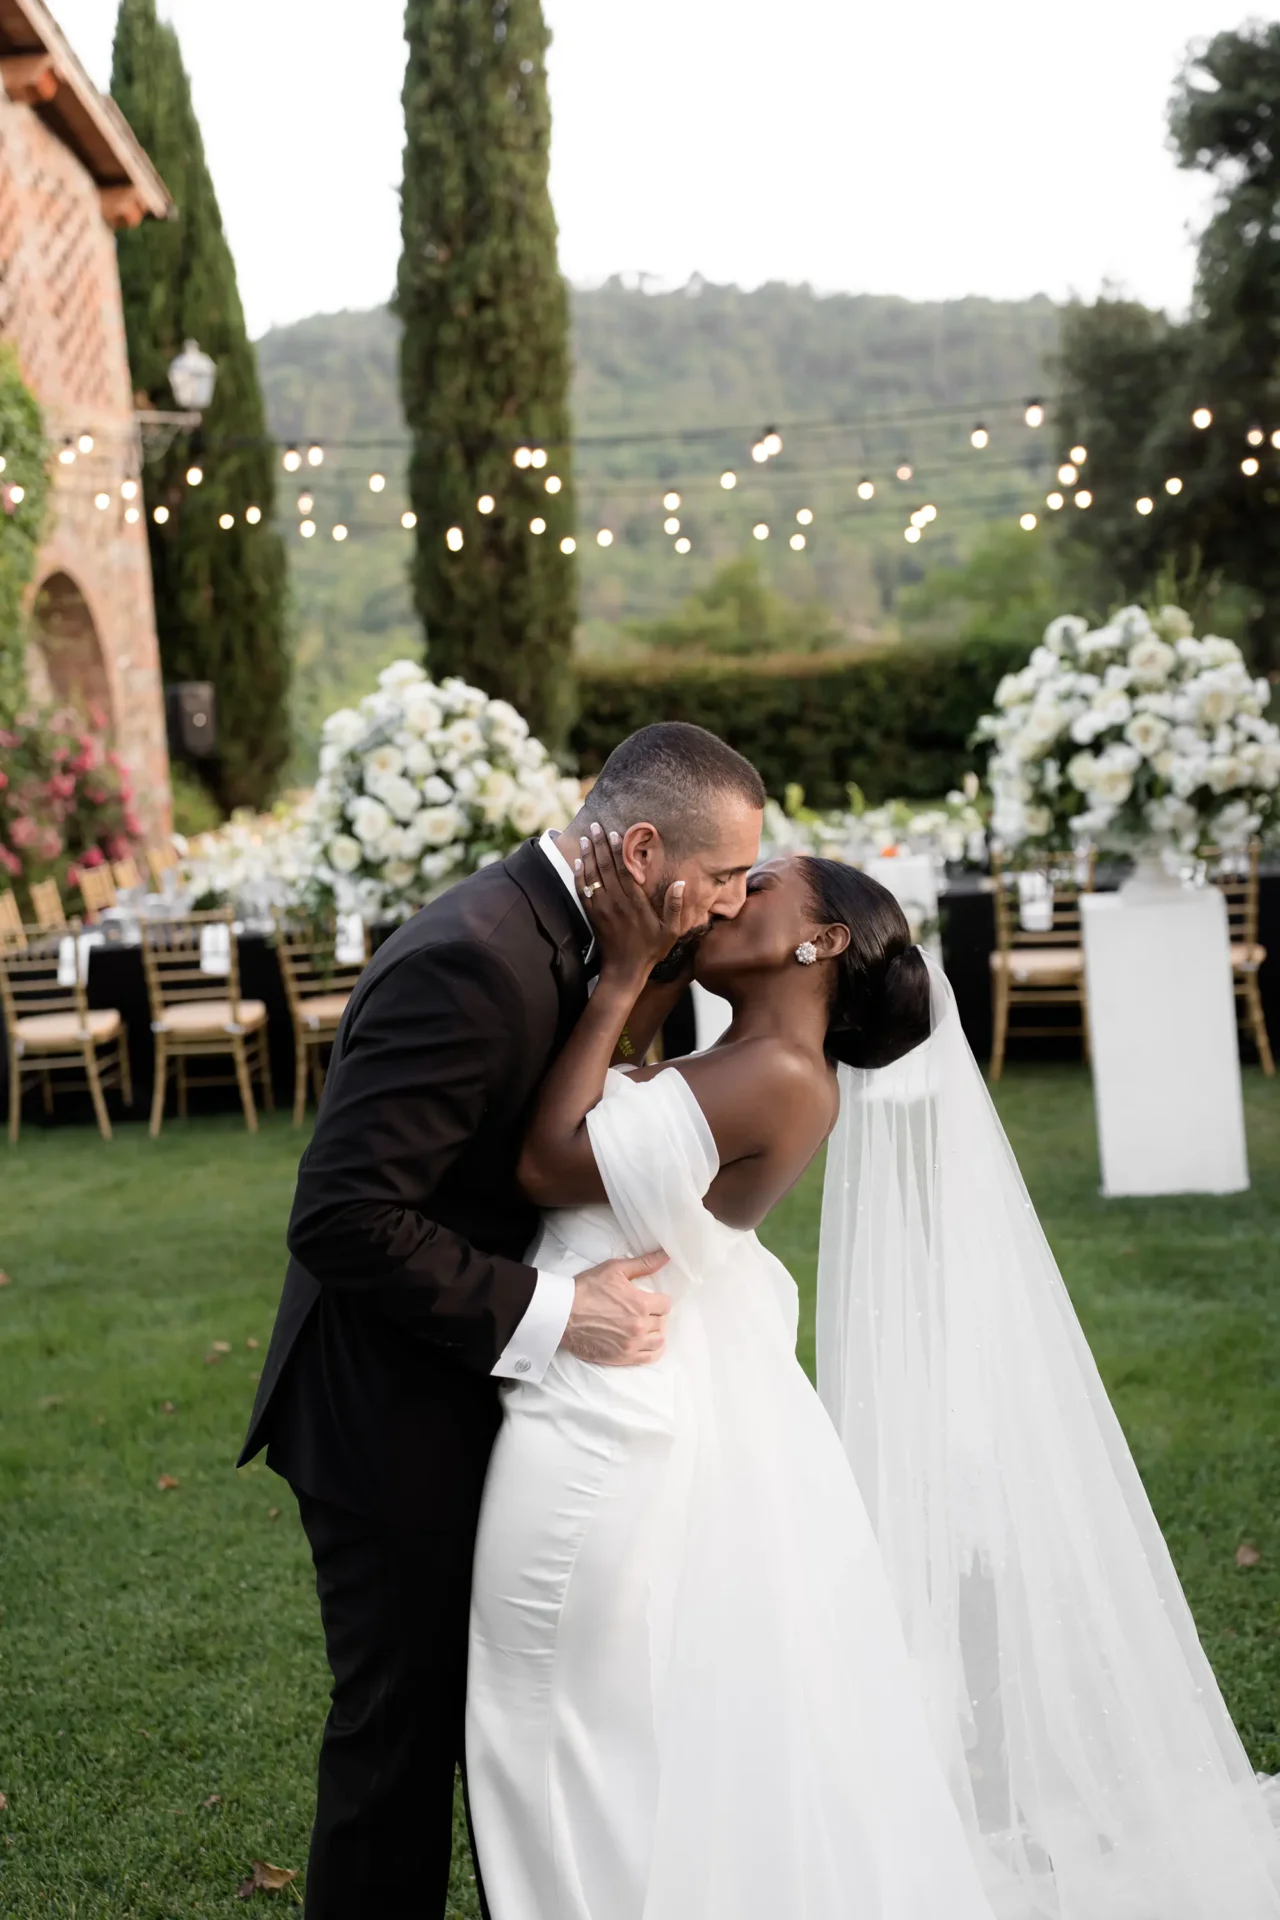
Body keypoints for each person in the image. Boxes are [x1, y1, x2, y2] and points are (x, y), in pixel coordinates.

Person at [467, 832, 1280, 1919]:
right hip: (613, 1365)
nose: (725, 901)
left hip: (619, 1393)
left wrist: (622, 974)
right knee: (593, 1709)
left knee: (549, 1705)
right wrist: (652, 959)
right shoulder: (743, 1055)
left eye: (752, 887)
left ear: (820, 940)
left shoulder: (782, 1079)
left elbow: (544, 1162)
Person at [238, 723, 765, 1920]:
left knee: (495, 1728)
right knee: (399, 1749)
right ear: (641, 850)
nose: (734, 903)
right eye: (725, 875)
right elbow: (341, 1215)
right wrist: (558, 1311)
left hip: (468, 1394)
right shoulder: (472, 956)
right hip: (383, 1412)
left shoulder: (587, 933)